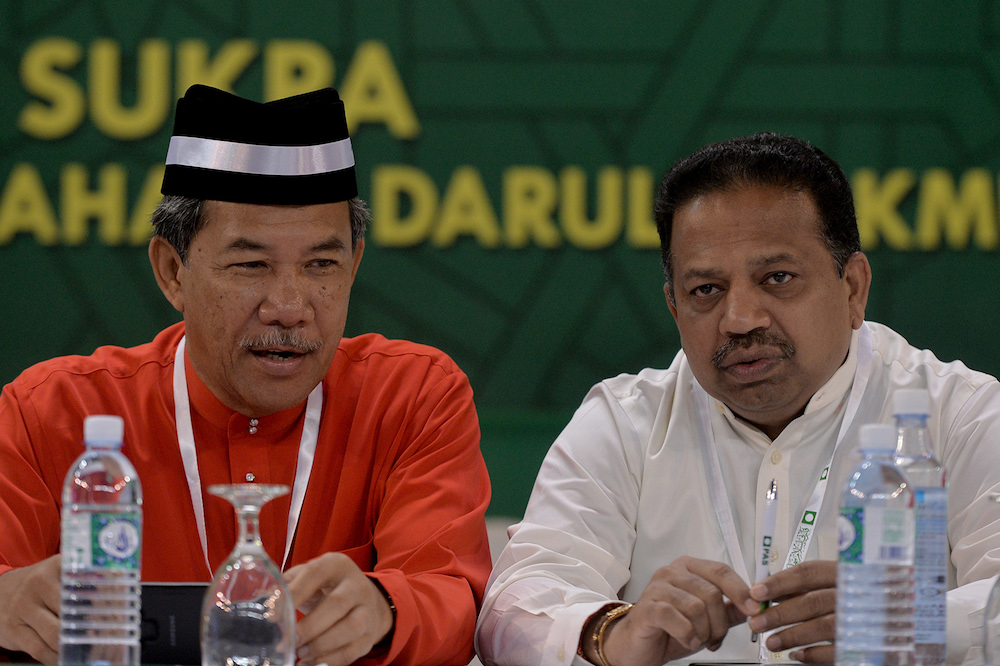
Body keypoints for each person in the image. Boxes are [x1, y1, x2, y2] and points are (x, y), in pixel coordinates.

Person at [0, 84, 492, 666]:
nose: (290, 305)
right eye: (251, 265)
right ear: (172, 271)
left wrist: (386, 608)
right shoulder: (50, 412)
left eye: (321, 265)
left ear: (355, 265)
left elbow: (454, 600)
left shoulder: (413, 398)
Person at [475, 132, 1000, 666]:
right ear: (675, 308)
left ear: (853, 288)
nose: (740, 319)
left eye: (777, 278)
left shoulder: (961, 414)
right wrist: (612, 633)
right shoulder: (624, 423)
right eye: (706, 290)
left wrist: (915, 620)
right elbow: (512, 610)